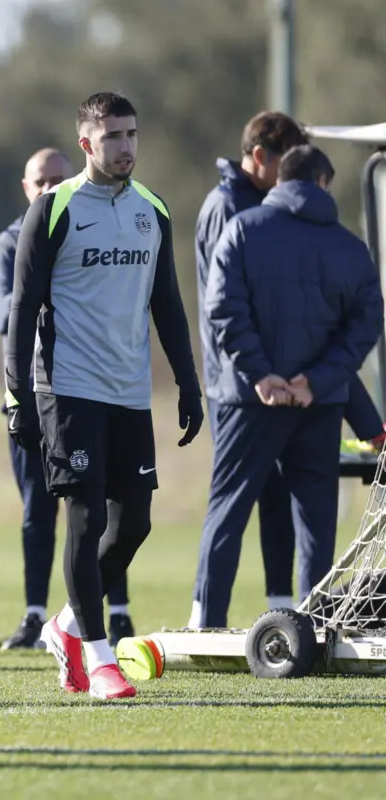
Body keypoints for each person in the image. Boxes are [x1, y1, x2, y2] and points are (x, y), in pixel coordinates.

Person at [5, 92, 203, 700]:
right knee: (86, 521)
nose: (125, 147)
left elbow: (165, 304)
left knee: (135, 523)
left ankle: (66, 625)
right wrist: (16, 395)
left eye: (132, 135)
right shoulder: (54, 208)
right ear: (87, 144)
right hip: (67, 387)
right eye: (113, 137)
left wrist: (188, 384)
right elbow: (22, 307)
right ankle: (98, 659)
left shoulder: (152, 208)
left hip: (127, 391)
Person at [189, 112, 384, 626]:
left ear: (281, 176)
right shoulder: (350, 248)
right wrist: (314, 383)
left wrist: (262, 375)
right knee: (316, 521)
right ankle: (312, 626)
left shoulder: (241, 229)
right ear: (322, 182)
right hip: (319, 404)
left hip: (247, 398)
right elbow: (364, 328)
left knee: (227, 511)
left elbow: (223, 310)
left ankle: (207, 625)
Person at [0, 146, 136, 650]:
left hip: (96, 389)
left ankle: (114, 611)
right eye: (39, 181)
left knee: (107, 507)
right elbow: (7, 316)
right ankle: (35, 614)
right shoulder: (11, 244)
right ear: (24, 187)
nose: (50, 187)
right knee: (39, 509)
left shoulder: (95, 218)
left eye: (58, 177)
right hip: (35, 391)